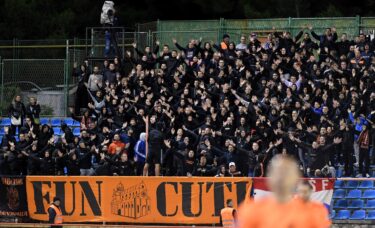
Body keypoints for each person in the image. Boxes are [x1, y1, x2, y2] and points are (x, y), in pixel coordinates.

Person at [237, 155, 331, 228]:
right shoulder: (251, 211)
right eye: (277, 172)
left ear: (295, 177)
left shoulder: (315, 211)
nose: (281, 177)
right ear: (269, 177)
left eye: (287, 172)